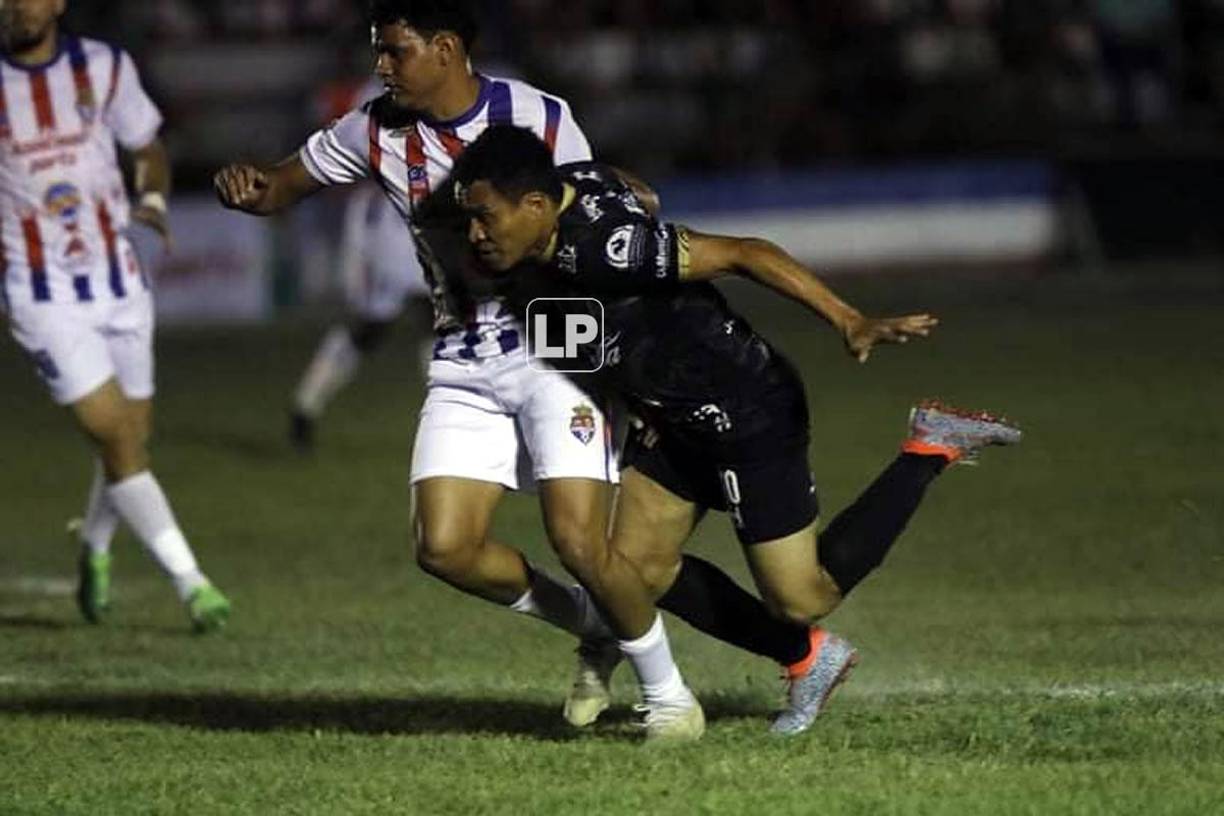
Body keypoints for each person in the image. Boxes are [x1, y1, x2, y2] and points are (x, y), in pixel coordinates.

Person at [436, 124, 1023, 735]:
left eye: (485, 217)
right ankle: (808, 659)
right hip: (674, 424)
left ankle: (928, 448)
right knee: (634, 573)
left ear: (535, 205)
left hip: (749, 411)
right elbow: (632, 188)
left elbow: (746, 252)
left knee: (802, 599)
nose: (476, 234)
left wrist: (849, 320)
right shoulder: (569, 200)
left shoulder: (610, 248)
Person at [0, 0, 230, 631]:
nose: (16, 6)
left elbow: (146, 145)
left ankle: (94, 549)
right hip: (39, 295)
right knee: (114, 434)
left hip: (119, 280)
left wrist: (151, 197)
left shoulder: (102, 66)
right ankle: (193, 582)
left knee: (131, 437)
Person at [288, 78, 433, 453]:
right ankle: (306, 405)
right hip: (387, 227)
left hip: (421, 225)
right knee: (373, 328)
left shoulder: (436, 88)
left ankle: (449, 421)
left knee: (436, 325)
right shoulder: (379, 96)